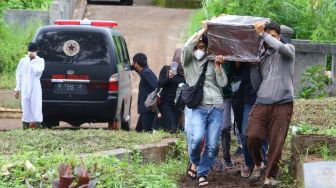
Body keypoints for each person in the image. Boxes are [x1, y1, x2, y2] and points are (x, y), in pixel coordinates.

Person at [247, 22, 295, 187]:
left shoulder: (288, 50)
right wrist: (254, 67)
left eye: (272, 36)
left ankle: (270, 177)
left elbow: (282, 48)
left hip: (282, 104)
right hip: (262, 103)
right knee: (252, 135)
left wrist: (263, 34)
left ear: (279, 37)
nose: (269, 40)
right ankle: (259, 164)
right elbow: (256, 86)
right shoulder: (262, 57)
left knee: (276, 142)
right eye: (267, 37)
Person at [182, 22, 227, 187]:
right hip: (199, 108)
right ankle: (194, 161)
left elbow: (223, 84)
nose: (199, 49)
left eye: (203, 46)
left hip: (216, 106)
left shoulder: (212, 61)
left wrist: (219, 68)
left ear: (207, 48)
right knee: (196, 139)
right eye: (197, 46)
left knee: (212, 145)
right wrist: (203, 31)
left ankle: (202, 172)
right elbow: (186, 47)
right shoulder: (188, 63)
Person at [153, 48, 185, 132]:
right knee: (171, 123)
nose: (179, 61)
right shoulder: (167, 69)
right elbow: (160, 84)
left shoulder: (185, 72)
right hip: (166, 102)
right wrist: (168, 78)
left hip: (178, 104)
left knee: (176, 126)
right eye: (178, 58)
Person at [14, 42, 45, 129]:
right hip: (25, 86)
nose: (31, 53)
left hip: (35, 86)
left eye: (33, 51)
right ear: (28, 51)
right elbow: (19, 75)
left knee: (36, 105)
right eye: (30, 51)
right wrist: (17, 89)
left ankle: (38, 125)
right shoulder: (23, 61)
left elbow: (38, 72)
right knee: (25, 105)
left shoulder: (40, 61)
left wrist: (33, 62)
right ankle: (25, 126)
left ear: (36, 51)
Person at [132, 53, 158, 132]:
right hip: (145, 109)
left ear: (136, 64)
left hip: (148, 109)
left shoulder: (146, 73)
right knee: (138, 131)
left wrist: (152, 100)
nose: (133, 65)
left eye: (134, 63)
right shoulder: (145, 71)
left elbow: (156, 86)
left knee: (147, 131)